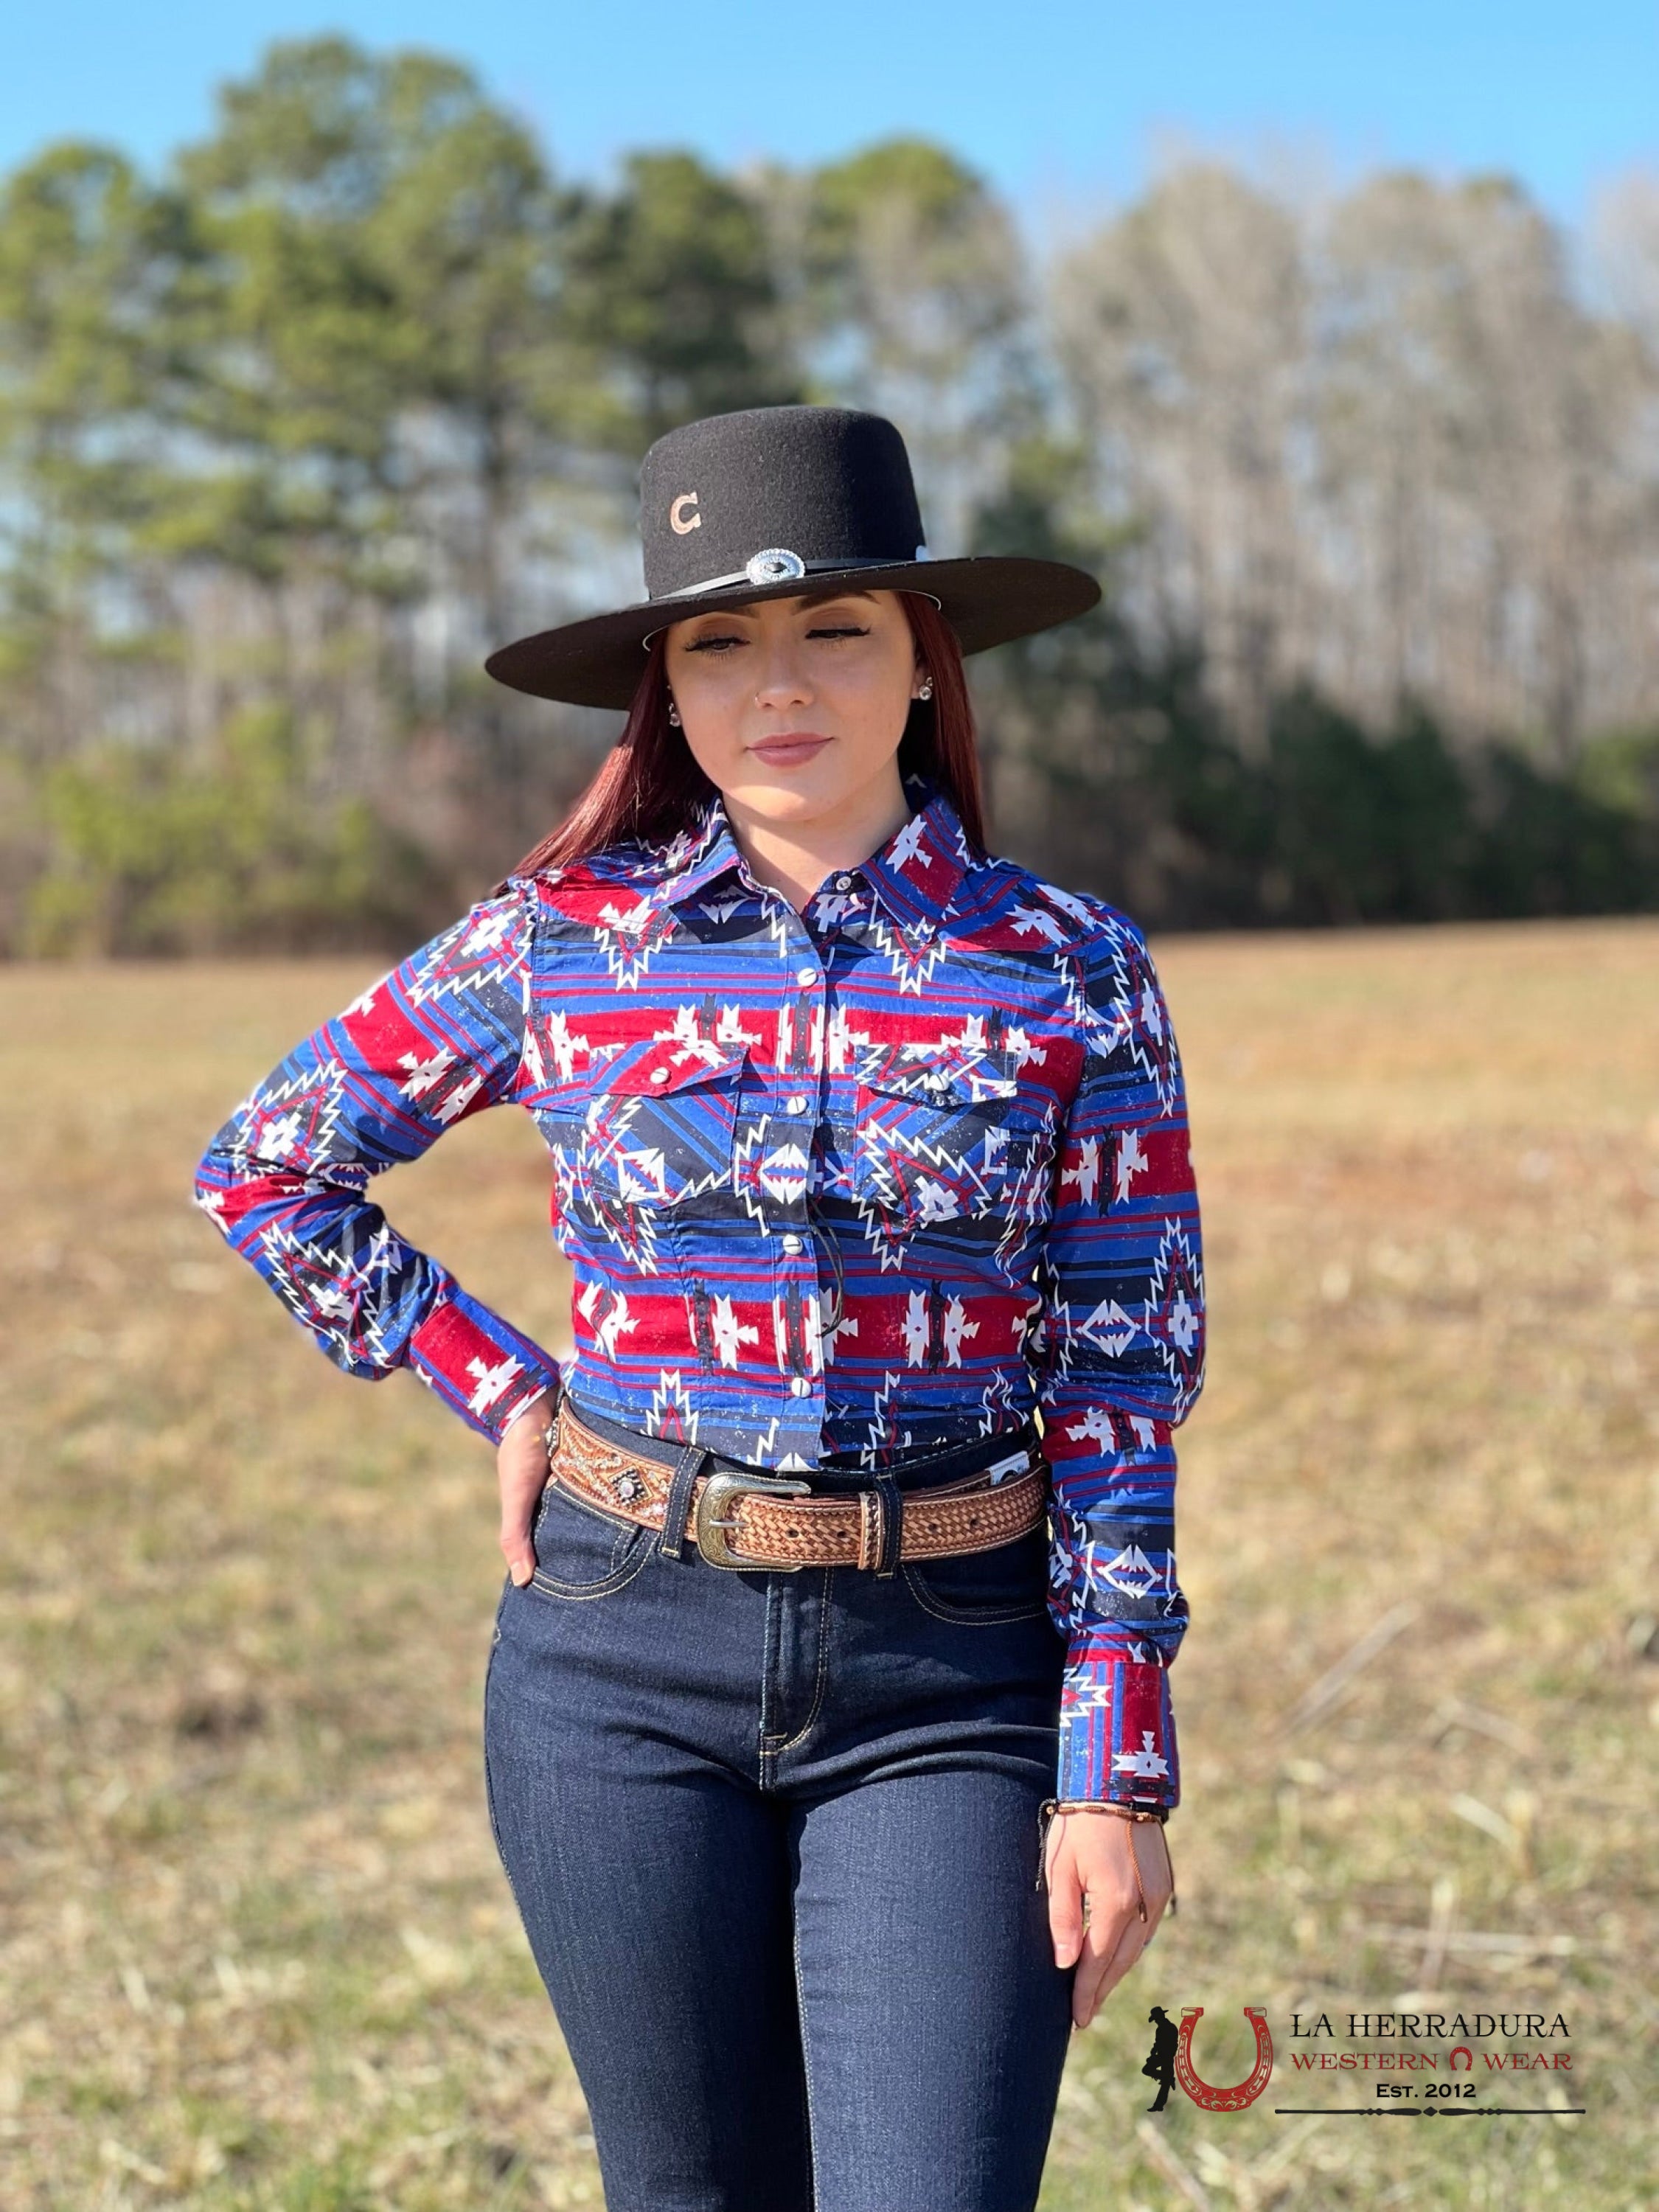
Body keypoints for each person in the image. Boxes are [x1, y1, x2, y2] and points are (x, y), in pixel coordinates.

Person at [194, 404, 1203, 2212]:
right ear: (665, 687)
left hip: (951, 1676)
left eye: (836, 628)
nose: (778, 682)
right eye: (719, 642)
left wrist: (1115, 1763)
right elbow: (269, 1162)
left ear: (920, 661)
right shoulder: (560, 943)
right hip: (614, 1662)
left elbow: (1124, 1370)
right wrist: (501, 1386)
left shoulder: (1069, 965)